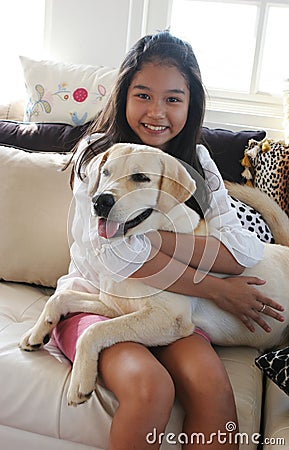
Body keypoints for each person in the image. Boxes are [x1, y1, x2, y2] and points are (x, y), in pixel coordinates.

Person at [53, 32, 284, 449]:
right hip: (98, 301)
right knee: (149, 387)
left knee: (212, 388)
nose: (156, 112)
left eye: (173, 99)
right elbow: (120, 259)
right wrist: (216, 286)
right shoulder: (97, 158)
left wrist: (155, 236)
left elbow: (243, 249)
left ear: (191, 104)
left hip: (167, 309)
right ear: (124, 96)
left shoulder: (197, 162)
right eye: (143, 95)